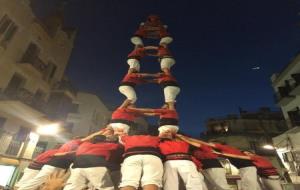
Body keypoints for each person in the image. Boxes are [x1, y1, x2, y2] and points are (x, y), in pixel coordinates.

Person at [18, 131, 106, 190]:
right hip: (55, 165)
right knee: (39, 181)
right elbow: (89, 138)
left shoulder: (77, 145)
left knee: (47, 183)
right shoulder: (74, 143)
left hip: (60, 166)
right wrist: (75, 151)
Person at [176, 135, 259, 190]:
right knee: (210, 187)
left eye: (212, 143)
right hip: (206, 168)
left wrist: (183, 138)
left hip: (213, 166)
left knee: (221, 186)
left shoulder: (208, 147)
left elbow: (200, 143)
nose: (210, 143)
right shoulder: (195, 152)